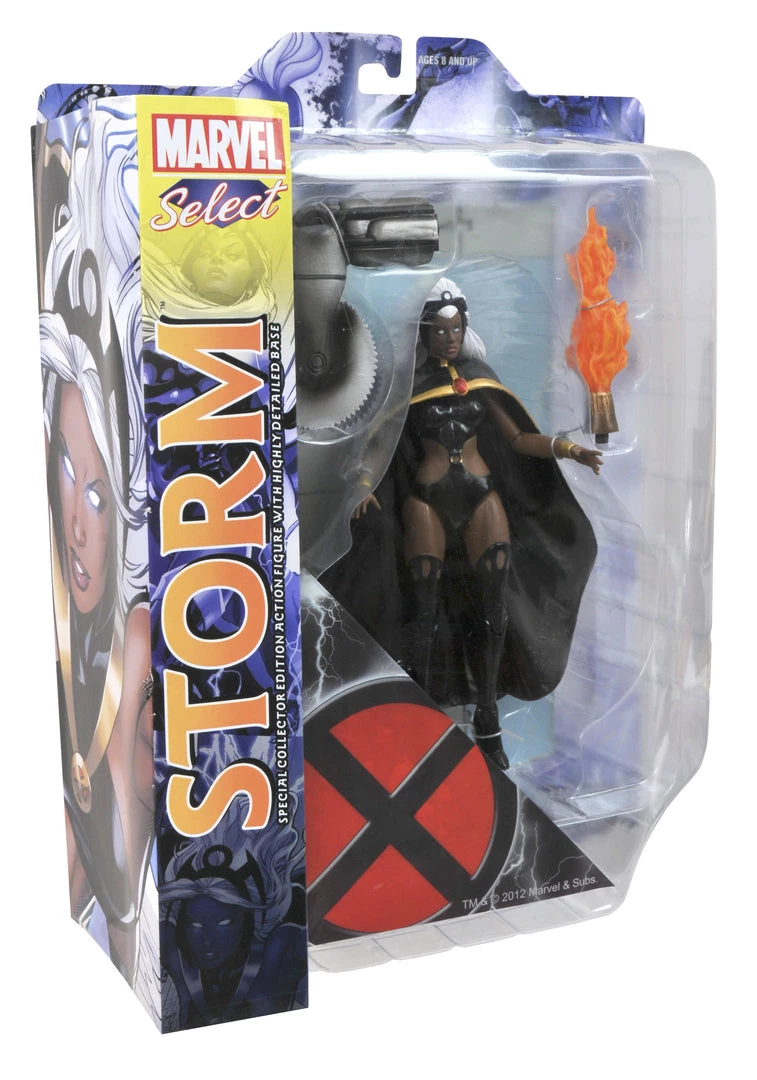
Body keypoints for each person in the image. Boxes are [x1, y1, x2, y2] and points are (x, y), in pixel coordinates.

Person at [324, 279, 602, 769]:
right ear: (425, 333)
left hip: (480, 496)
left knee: (493, 609)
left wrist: (567, 448)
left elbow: (518, 438)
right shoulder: (410, 385)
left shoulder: (480, 378)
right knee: (423, 608)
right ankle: (417, 713)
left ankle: (488, 717)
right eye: (439, 329)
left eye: (455, 329)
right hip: (427, 500)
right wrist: (365, 483)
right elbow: (380, 442)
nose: (449, 338)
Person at [41, 296, 152, 985]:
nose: (77, 529)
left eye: (97, 497)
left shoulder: (136, 647)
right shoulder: (64, 629)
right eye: (64, 467)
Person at [160, 810, 307, 1028]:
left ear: (247, 921)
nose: (207, 939)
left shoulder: (277, 949)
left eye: (224, 924)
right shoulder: (175, 956)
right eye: (195, 925)